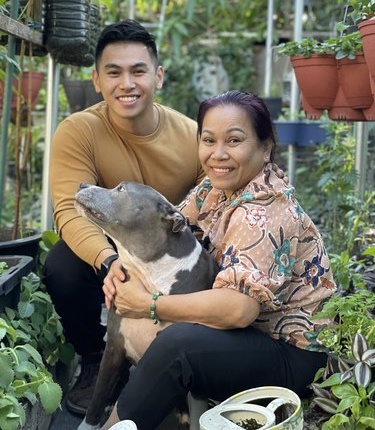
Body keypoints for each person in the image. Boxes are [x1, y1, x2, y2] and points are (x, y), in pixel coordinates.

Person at [102, 90, 337, 430]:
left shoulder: (265, 212)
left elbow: (239, 310)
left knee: (178, 345)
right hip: (248, 340)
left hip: (292, 355)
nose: (218, 154)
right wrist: (118, 268)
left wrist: (150, 304)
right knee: (168, 325)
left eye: (234, 140)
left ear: (265, 146)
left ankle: (115, 424)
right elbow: (161, 236)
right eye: (208, 140)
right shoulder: (212, 191)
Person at [43, 19, 205, 415]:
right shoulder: (79, 130)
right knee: (61, 264)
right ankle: (98, 356)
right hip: (111, 256)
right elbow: (67, 209)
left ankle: (190, 367)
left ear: (159, 76)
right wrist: (109, 261)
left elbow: (213, 207)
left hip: (174, 265)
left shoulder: (192, 136)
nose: (126, 84)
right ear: (96, 80)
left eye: (138, 71)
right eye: (113, 73)